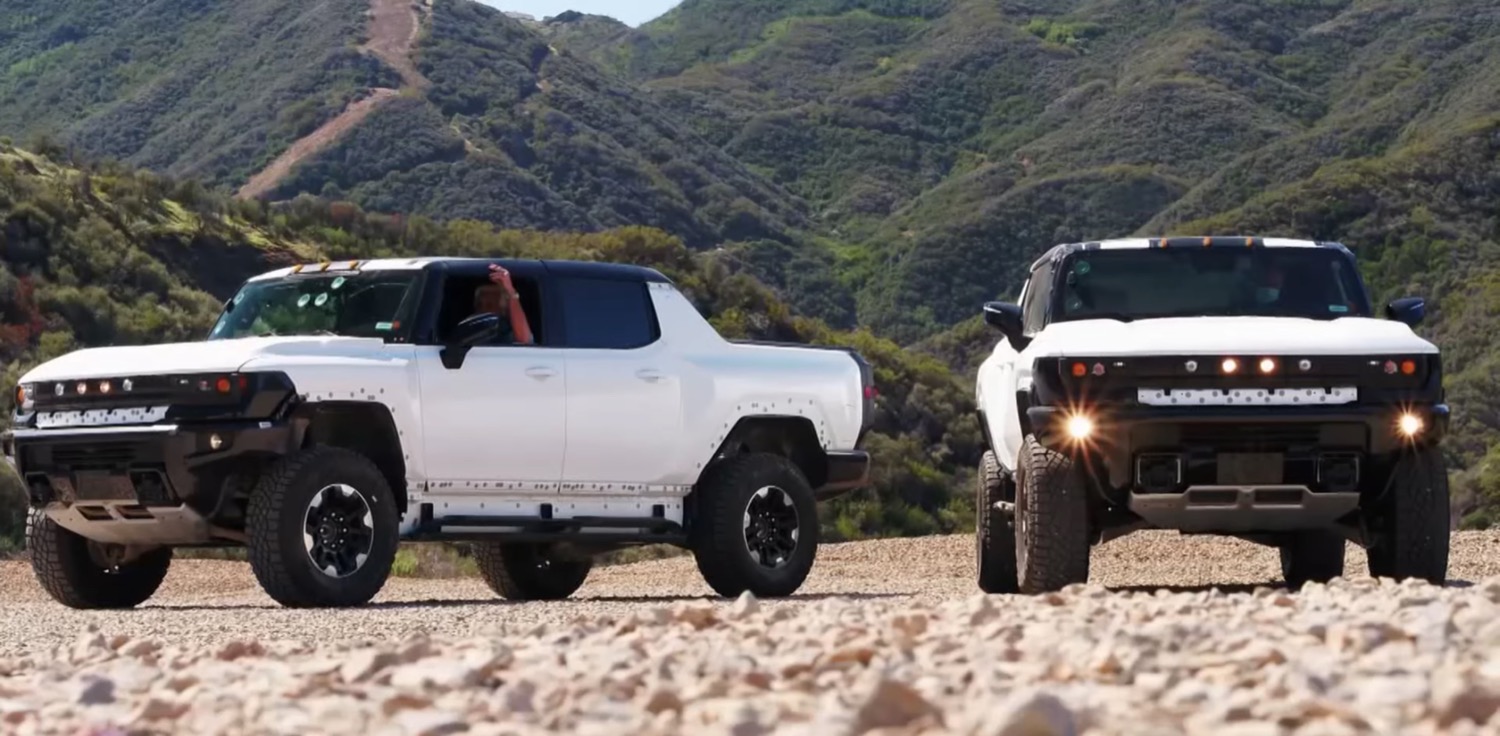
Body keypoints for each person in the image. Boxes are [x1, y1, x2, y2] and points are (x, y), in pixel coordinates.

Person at [471, 263, 535, 345]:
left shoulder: (505, 330)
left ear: (502, 307)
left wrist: (511, 293)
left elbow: (524, 341)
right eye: (479, 304)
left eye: (490, 305)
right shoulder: (470, 327)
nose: (483, 308)